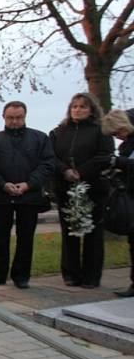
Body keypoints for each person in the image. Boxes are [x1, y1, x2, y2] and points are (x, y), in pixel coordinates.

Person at [0, 101, 55, 289]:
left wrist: (29, 184)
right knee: (0, 237)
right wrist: (3, 184)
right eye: (10, 118)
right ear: (3, 117)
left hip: (29, 196)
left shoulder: (39, 138)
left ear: (25, 117)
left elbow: (47, 165)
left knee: (26, 237)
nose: (14, 121)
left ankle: (21, 276)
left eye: (18, 118)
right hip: (2, 196)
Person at [49, 93, 114, 289]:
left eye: (82, 107)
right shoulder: (59, 132)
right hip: (66, 189)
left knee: (93, 234)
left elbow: (104, 156)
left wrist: (81, 172)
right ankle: (71, 274)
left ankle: (91, 276)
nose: (77, 110)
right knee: (69, 233)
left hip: (92, 189)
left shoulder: (101, 131)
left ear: (91, 110)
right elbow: (50, 156)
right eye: (74, 106)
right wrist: (65, 171)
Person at [101, 109, 134, 297]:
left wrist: (120, 162)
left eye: (118, 132)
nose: (118, 137)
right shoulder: (125, 146)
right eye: (114, 135)